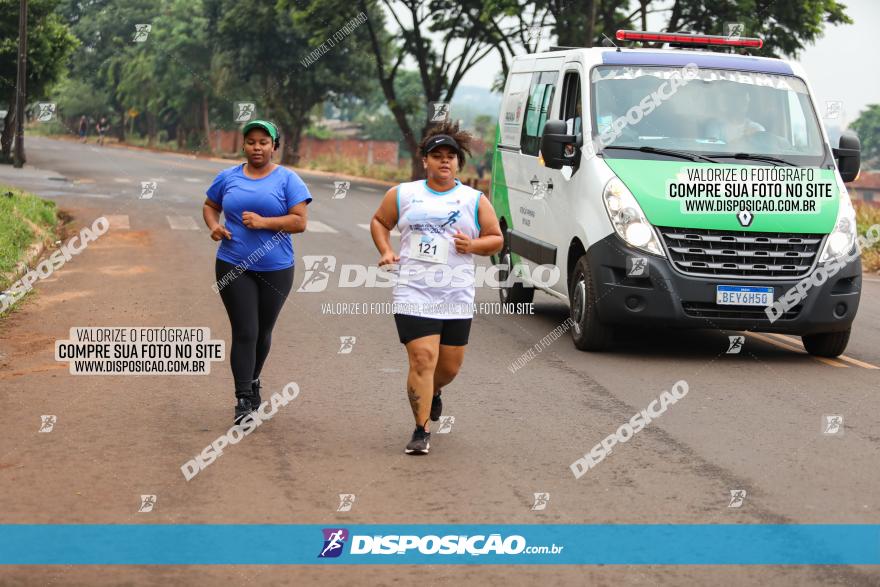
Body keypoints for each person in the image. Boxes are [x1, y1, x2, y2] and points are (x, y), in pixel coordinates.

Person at [370, 121, 503, 455]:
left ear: (458, 162)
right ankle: (420, 430)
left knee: (447, 369)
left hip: (455, 294)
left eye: (451, 156)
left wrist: (471, 246)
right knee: (422, 360)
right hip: (413, 291)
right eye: (437, 155)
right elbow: (379, 222)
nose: (444, 161)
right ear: (425, 160)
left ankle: (436, 392)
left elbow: (495, 239)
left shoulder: (474, 199)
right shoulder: (403, 194)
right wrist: (386, 250)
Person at [202, 120, 312, 424]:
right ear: (244, 145)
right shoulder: (228, 177)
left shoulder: (289, 181)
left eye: (264, 142)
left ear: (274, 146)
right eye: (251, 141)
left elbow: (300, 222)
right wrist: (214, 226)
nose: (257, 147)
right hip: (233, 263)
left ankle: (252, 381)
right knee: (245, 331)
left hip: (276, 267)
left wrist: (264, 222)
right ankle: (243, 399)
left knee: (263, 331)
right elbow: (210, 205)